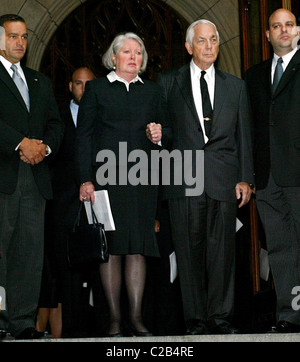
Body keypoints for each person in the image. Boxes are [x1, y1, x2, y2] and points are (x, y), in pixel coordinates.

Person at [147, 19, 254, 335]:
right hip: (183, 180)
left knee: (222, 253)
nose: (209, 46)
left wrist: (246, 178)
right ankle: (195, 319)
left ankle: (220, 317)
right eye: (202, 41)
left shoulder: (236, 86)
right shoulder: (168, 82)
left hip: (224, 180)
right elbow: (165, 130)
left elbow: (243, 136)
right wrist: (158, 134)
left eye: (214, 40)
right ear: (188, 46)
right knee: (188, 252)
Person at [76, 32, 166, 337]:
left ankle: (137, 318)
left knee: (137, 248)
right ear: (113, 57)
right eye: (127, 52)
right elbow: (83, 136)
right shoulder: (97, 89)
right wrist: (85, 178)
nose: (133, 57)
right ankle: (114, 319)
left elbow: (168, 134)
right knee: (111, 249)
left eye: (138, 53)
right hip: (106, 180)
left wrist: (159, 135)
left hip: (141, 180)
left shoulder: (153, 92)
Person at [0, 14, 64, 340]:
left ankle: (22, 322)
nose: (19, 43)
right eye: (13, 36)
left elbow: (56, 124)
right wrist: (19, 143)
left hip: (35, 178)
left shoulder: (39, 81)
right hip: (4, 175)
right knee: (1, 250)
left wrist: (44, 148)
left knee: (29, 251)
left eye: (24, 37)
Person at [245, 8, 300, 333]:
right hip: (267, 178)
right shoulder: (254, 76)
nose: (283, 30)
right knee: (280, 248)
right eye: (276, 26)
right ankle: (290, 315)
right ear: (267, 35)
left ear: (297, 30)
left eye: (289, 25)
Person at [36, 67, 98, 338]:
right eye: (78, 83)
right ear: (70, 86)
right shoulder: (57, 117)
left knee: (97, 270)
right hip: (61, 206)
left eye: (88, 84)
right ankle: (70, 332)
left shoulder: (103, 113)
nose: (83, 88)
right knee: (64, 271)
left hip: (97, 203)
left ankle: (96, 328)